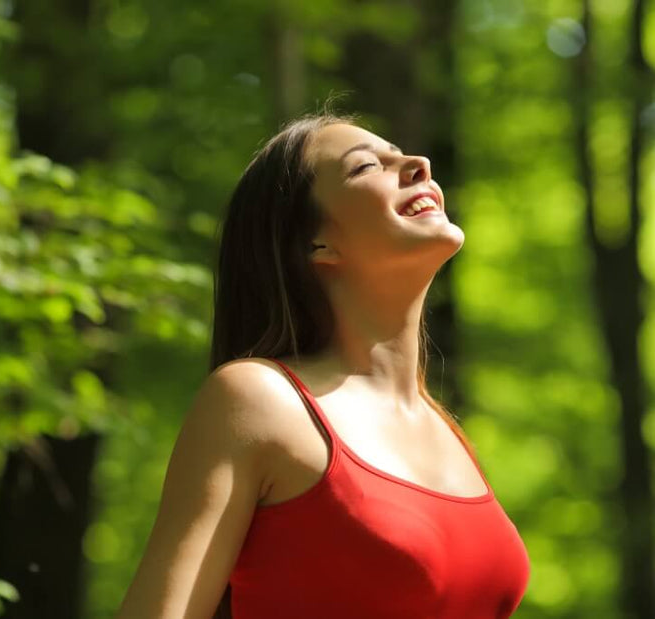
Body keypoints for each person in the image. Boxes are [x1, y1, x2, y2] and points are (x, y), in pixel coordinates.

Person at [114, 111, 531, 618]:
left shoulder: (444, 429)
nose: (418, 163)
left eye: (404, 153)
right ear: (317, 244)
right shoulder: (257, 399)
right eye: (365, 167)